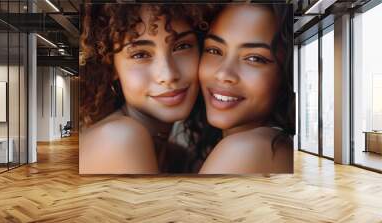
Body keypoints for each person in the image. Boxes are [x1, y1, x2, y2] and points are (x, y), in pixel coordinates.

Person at [79, 3, 210, 174]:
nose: (168, 75)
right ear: (111, 67)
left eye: (182, 46)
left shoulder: (176, 156)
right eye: (140, 55)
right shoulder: (119, 138)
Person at [198, 4, 295, 174]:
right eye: (214, 50)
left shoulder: (246, 150)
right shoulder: (271, 145)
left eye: (254, 58)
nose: (223, 74)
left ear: (286, 74)